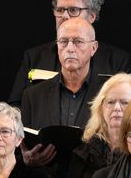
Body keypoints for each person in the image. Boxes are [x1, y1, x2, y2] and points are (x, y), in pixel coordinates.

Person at [8, 0, 131, 106]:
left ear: (92, 16)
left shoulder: (117, 61)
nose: (65, 16)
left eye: (73, 10)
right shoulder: (34, 57)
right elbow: (16, 107)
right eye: (60, 10)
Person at [18, 17, 100, 168]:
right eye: (63, 41)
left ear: (93, 48)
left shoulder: (108, 95)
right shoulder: (32, 95)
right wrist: (25, 158)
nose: (69, 48)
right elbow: (22, 147)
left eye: (78, 41)